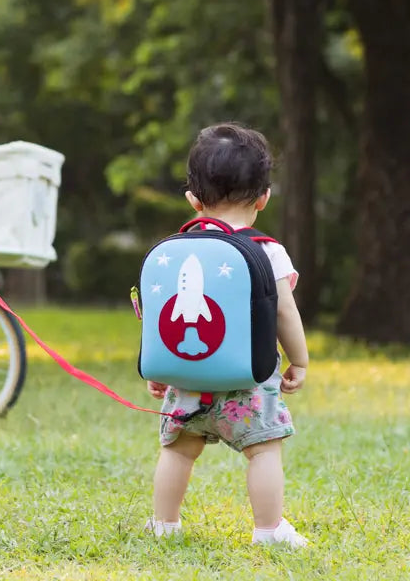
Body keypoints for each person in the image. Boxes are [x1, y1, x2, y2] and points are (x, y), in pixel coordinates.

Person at [144, 123, 310, 549]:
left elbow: (162, 315)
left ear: (193, 199)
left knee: (178, 451)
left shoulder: (177, 248)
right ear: (264, 197)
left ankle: (164, 524)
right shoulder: (268, 251)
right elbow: (285, 314)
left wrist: (158, 365)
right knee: (264, 451)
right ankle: (269, 530)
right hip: (248, 383)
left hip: (188, 379)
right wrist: (300, 360)